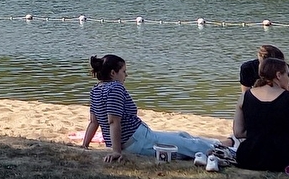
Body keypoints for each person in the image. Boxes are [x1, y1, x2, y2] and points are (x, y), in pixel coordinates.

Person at [81, 54, 222, 163]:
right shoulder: (116, 88)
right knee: (190, 145)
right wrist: (116, 151)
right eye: (124, 71)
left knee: (182, 135)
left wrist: (84, 145)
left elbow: (94, 122)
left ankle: (219, 145)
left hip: (139, 137)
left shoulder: (95, 90)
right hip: (137, 140)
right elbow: (113, 121)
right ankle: (227, 152)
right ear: (113, 73)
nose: (126, 75)